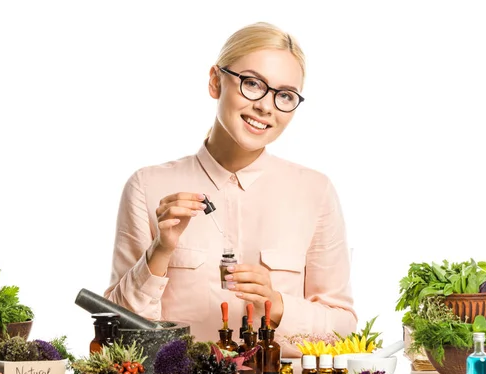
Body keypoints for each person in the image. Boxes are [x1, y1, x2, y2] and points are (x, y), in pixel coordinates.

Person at [104, 21, 357, 356]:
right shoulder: (147, 187)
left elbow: (343, 332)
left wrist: (277, 304)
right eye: (252, 83)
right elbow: (114, 333)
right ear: (215, 81)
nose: (266, 106)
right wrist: (160, 252)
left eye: (284, 95)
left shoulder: (316, 191)